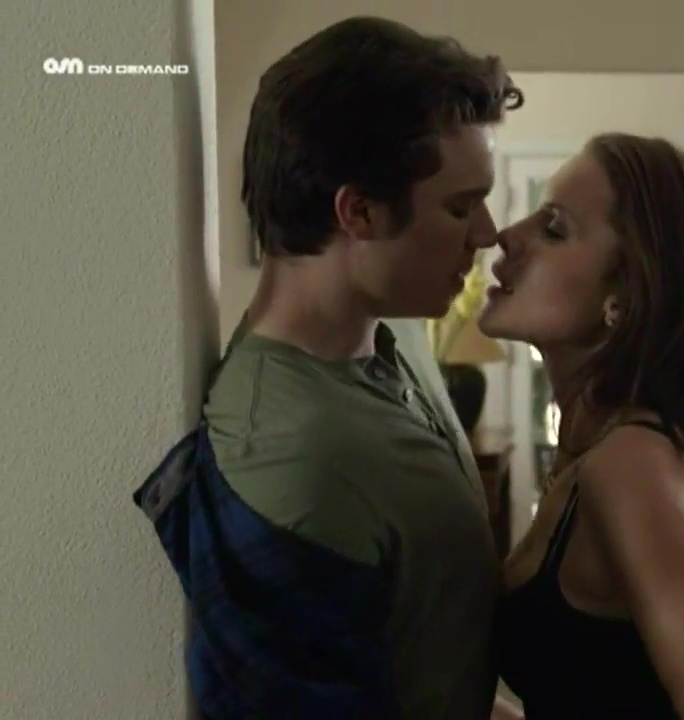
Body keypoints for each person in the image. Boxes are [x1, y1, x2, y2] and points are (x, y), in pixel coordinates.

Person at [132, 16, 524, 720]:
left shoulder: (393, 331)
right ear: (359, 212)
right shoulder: (289, 450)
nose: (488, 232)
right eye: (461, 206)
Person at [479, 133, 684, 719]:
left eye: (554, 228)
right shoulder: (597, 453)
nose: (507, 235)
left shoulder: (632, 465)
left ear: (626, 293)